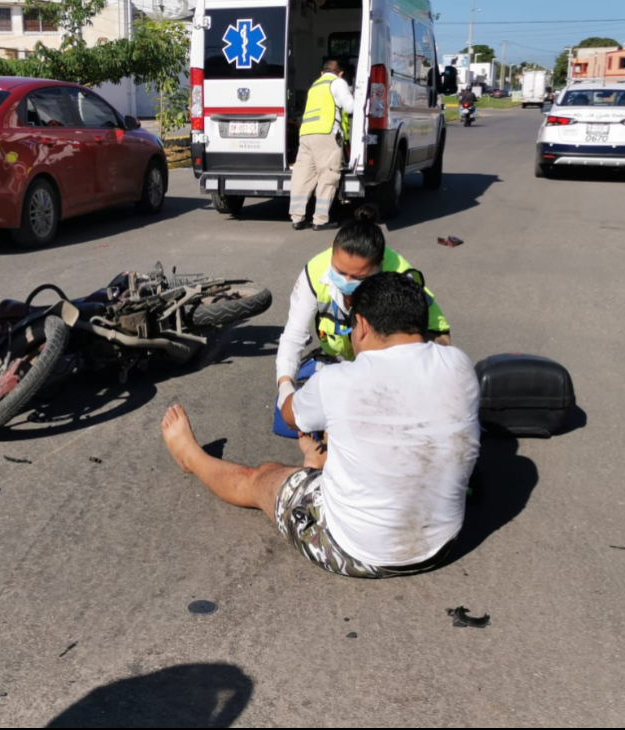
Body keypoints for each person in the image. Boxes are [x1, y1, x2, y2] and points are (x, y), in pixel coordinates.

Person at [162, 273, 481, 578]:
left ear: (363, 326)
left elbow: (289, 415)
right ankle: (315, 466)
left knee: (261, 476)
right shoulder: (459, 364)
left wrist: (286, 383)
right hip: (443, 544)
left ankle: (191, 457)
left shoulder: (337, 381)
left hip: (356, 552)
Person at [274, 219, 451, 413]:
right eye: (340, 272)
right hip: (347, 361)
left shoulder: (400, 279)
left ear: (380, 265)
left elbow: (411, 350)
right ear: (332, 249)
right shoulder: (314, 271)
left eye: (358, 277)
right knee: (291, 412)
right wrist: (285, 386)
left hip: (414, 353)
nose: (346, 282)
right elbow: (294, 335)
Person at [290, 59, 355, 232]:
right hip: (326, 134)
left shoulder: (315, 86)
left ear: (321, 73)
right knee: (327, 176)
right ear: (339, 73)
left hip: (306, 135)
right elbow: (350, 108)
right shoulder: (338, 83)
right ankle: (320, 220)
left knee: (303, 177)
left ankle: (297, 218)